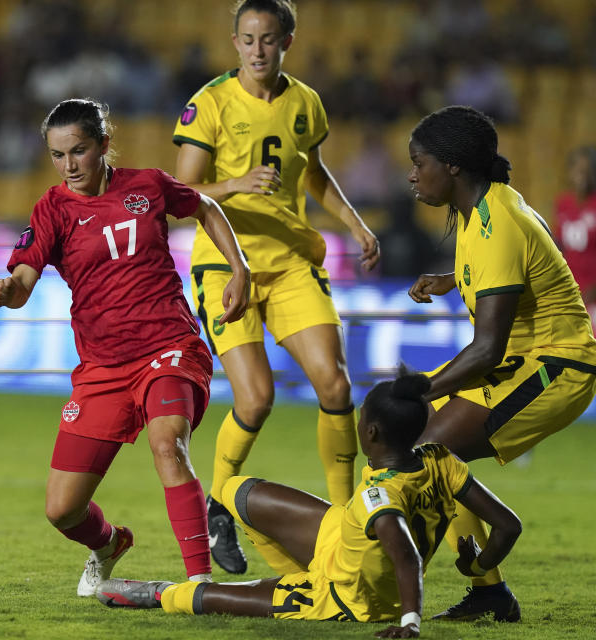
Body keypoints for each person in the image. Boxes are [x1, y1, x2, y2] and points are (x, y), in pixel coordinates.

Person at [0, 98, 251, 596]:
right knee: (61, 509)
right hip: (102, 368)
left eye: (79, 151)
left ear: (104, 145)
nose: (69, 166)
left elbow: (207, 206)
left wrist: (239, 268)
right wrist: (9, 292)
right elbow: (24, 277)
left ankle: (201, 583)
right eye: (57, 154)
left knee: (167, 443)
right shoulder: (53, 208)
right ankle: (110, 544)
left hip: (168, 347)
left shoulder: (147, 185)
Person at [171, 0, 380, 574]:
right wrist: (236, 183)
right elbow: (181, 193)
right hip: (225, 265)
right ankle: (218, 510)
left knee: (336, 387)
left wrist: (355, 223)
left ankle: (344, 518)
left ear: (287, 39)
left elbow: (313, 172)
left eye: (268, 39)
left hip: (291, 263)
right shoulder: (209, 103)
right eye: (247, 39)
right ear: (233, 43)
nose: (257, 50)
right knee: (256, 399)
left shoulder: (305, 102)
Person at [95, 371, 522, 639]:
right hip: (342, 536)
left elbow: (405, 554)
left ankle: (163, 594)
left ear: (370, 432)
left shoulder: (381, 495)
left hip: (345, 596)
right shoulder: (440, 458)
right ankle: (291, 569)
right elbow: (508, 525)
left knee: (209, 598)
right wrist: (480, 565)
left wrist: (410, 621)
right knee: (236, 491)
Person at [405, 105, 596, 621]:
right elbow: (495, 273)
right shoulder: (480, 208)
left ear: (453, 167)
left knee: (424, 450)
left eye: (419, 162)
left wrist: (422, 388)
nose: (412, 173)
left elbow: (486, 349)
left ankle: (493, 540)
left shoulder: (496, 222)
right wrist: (450, 280)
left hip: (559, 365)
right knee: (426, 449)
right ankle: (488, 590)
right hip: (524, 355)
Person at [553, 145, 596, 331]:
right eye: (577, 170)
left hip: (592, 292)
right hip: (571, 291)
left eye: (586, 171)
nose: (581, 176)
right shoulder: (563, 203)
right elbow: (559, 248)